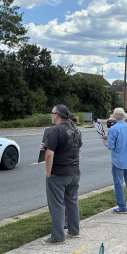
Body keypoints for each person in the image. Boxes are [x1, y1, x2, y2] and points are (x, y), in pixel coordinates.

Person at [42, 104, 82, 244]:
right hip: (74, 172)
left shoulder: (55, 130)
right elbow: (78, 151)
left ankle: (58, 236)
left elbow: (49, 154)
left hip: (59, 173)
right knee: (72, 202)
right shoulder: (75, 129)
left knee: (57, 204)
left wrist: (49, 173)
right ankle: (74, 231)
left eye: (52, 112)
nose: (51, 115)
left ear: (57, 115)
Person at [104, 108, 127, 212]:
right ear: (124, 116)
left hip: (118, 160)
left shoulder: (113, 129)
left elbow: (111, 145)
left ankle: (122, 207)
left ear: (114, 116)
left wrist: (106, 140)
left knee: (118, 184)